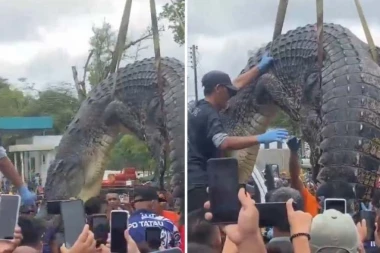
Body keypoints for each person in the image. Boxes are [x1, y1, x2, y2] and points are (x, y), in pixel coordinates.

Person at [187, 52, 289, 212]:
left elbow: (237, 84)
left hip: (193, 180)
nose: (230, 97)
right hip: (201, 183)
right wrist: (260, 138)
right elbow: (223, 142)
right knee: (206, 227)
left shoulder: (197, 107)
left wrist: (259, 68)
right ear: (218, 89)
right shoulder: (210, 114)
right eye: (228, 92)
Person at [286, 137, 356, 216]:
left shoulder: (312, 206)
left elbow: (295, 179)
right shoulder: (312, 205)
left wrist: (293, 152)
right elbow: (295, 179)